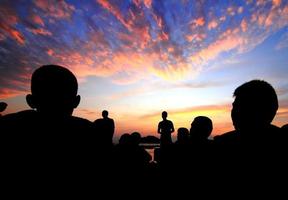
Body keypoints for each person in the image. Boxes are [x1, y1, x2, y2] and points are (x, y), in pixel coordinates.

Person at [0, 65, 96, 181]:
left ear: (31, 101)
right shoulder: (90, 134)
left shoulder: (9, 128)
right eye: (50, 98)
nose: (55, 106)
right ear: (76, 102)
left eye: (60, 99)